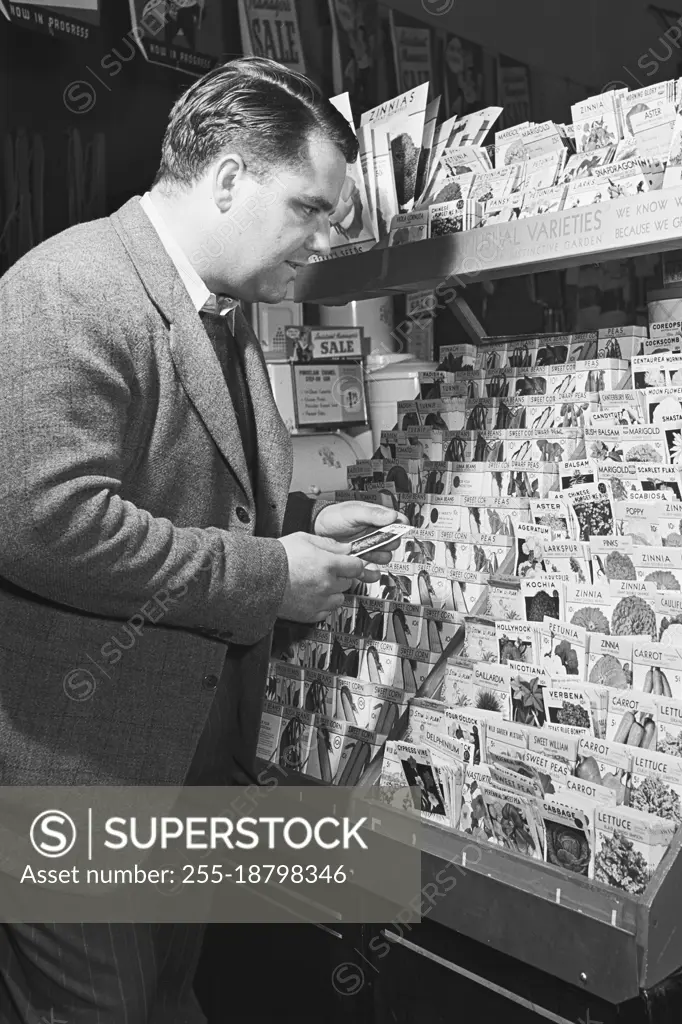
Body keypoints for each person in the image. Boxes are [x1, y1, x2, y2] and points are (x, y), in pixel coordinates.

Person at [0, 56, 402, 1023]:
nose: (320, 241)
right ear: (227, 180)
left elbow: (186, 490)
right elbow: (39, 520)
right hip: (77, 778)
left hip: (180, 767)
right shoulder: (68, 288)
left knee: (171, 1002)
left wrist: (302, 526)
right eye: (309, 208)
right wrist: (272, 574)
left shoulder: (215, 308)